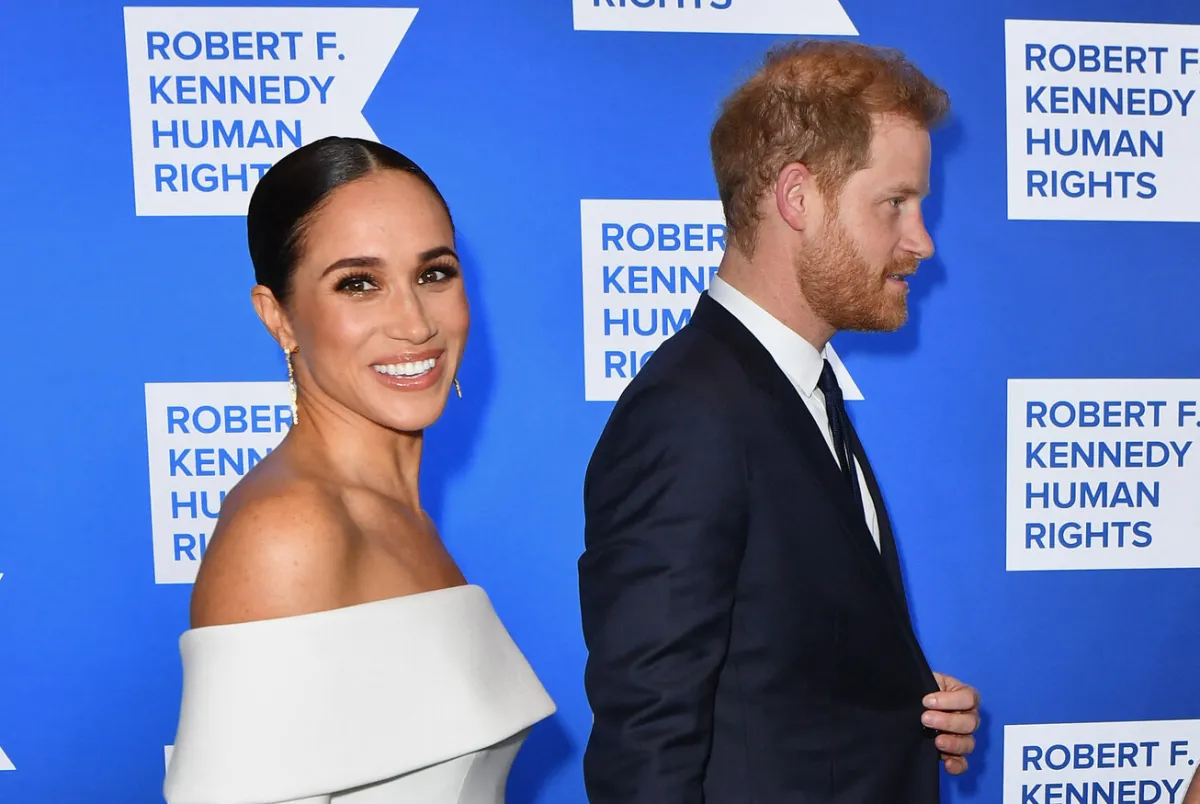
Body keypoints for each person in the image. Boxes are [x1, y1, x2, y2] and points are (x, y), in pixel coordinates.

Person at [578, 40, 980, 803]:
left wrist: (900, 702)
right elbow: (648, 750)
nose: (921, 240)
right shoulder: (688, 413)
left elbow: (773, 661)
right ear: (799, 198)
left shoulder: (792, 386)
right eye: (894, 203)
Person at [163, 136, 555, 803]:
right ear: (277, 316)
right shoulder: (288, 532)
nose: (413, 323)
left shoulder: (394, 513)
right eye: (359, 284)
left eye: (434, 273)